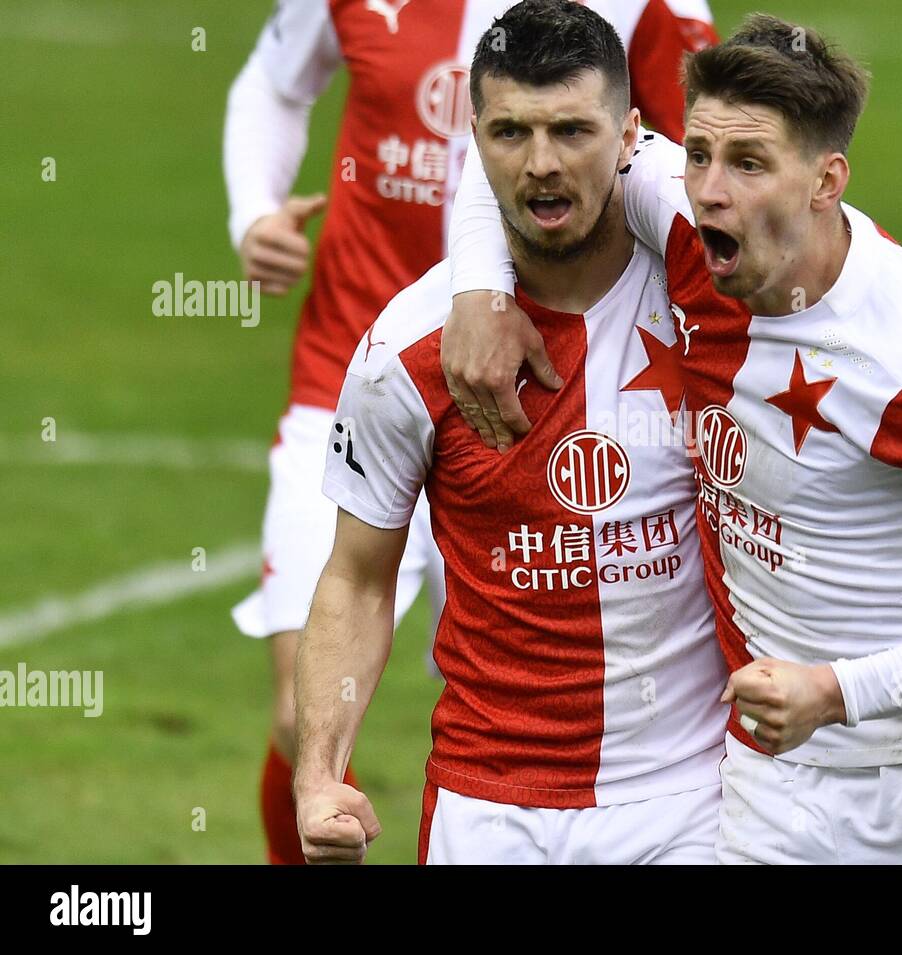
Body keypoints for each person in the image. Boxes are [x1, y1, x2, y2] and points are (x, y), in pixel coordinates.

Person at [440, 14, 902, 863]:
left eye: (749, 164)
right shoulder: (686, 217)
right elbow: (525, 162)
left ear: (826, 182)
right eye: (699, 153)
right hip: (769, 787)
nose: (708, 188)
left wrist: (842, 688)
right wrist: (478, 290)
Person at [221, 0, 718, 864]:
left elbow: (703, 163)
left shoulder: (644, 14)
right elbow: (272, 79)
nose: (542, 157)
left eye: (570, 128)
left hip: (604, 354)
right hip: (367, 370)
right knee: (308, 714)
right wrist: (251, 210)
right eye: (510, 133)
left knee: (550, 661)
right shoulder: (400, 346)